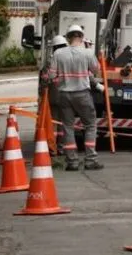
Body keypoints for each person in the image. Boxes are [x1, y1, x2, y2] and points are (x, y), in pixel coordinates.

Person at [46, 24, 105, 171]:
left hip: (64, 95)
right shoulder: (87, 53)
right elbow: (96, 70)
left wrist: (60, 83)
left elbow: (51, 75)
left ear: (68, 37)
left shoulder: (59, 54)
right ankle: (90, 160)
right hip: (83, 94)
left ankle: (72, 161)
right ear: (81, 37)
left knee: (68, 127)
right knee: (90, 125)